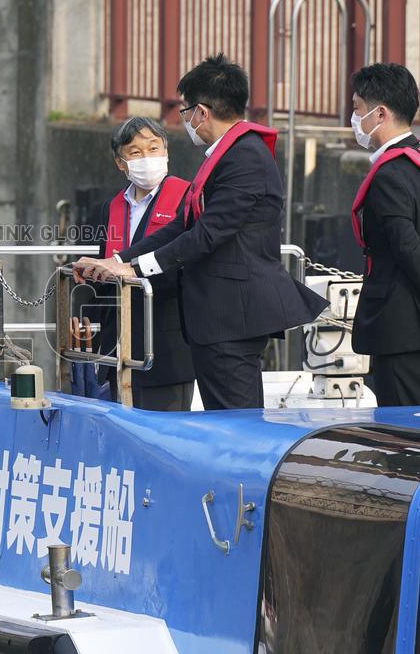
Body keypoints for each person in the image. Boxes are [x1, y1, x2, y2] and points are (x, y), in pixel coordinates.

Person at [74, 54, 328, 410]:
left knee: (234, 423)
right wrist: (120, 261)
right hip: (215, 317)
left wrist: (135, 268)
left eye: (185, 111)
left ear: (202, 112)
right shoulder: (226, 154)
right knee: (221, 420)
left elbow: (207, 234)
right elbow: (183, 225)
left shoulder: (245, 158)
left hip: (232, 316)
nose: (186, 120)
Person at [348, 63, 420, 406]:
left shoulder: (390, 174)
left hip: (404, 329)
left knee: (402, 443)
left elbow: (407, 247)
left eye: (358, 109)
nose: (355, 118)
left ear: (380, 114)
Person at [80, 117, 195, 411]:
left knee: (166, 430)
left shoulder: (188, 197)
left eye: (154, 148)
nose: (147, 158)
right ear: (121, 163)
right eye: (136, 152)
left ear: (166, 151)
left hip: (168, 341)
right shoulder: (111, 207)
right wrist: (84, 314)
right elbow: (105, 264)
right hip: (119, 340)